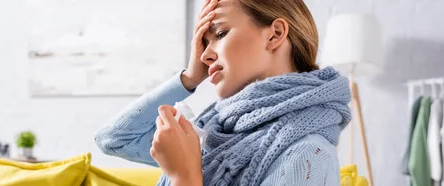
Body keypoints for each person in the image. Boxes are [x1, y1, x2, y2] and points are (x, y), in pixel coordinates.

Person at [94, 0, 351, 185]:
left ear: (274, 35)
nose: (205, 55)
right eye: (204, 44)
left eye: (220, 33)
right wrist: (190, 77)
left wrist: (185, 177)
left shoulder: (308, 156)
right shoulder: (215, 135)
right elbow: (114, 139)